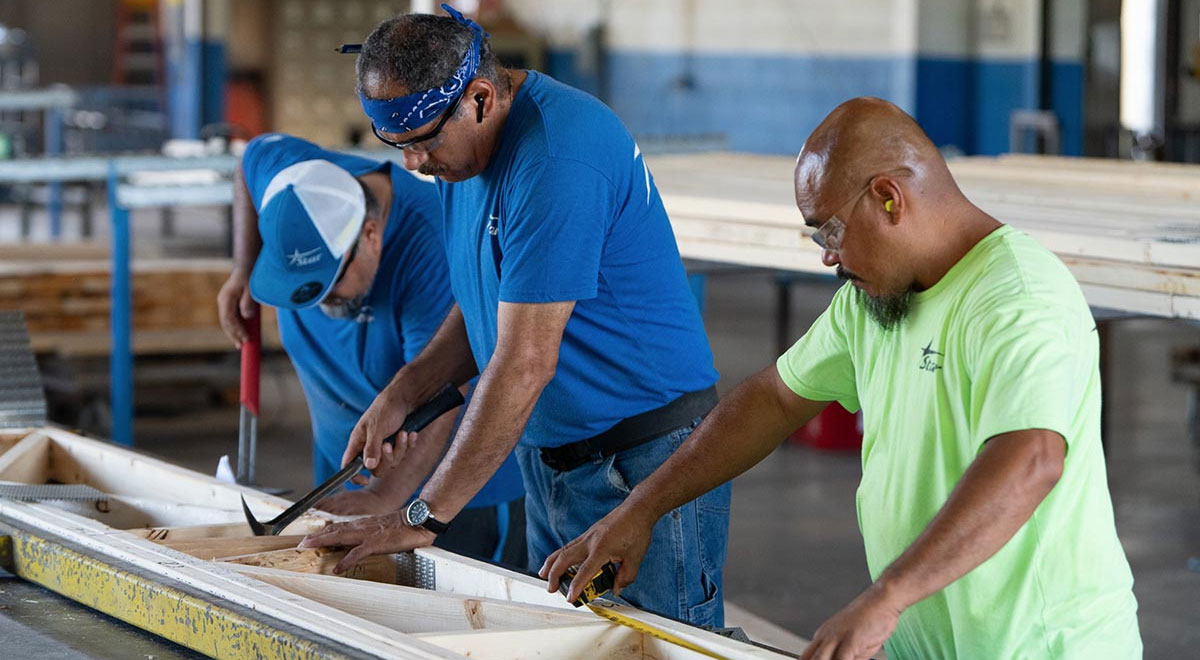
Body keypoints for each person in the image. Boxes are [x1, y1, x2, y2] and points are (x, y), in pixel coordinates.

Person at [541, 98, 1143, 659]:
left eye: (829, 230)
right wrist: (640, 509)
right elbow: (774, 400)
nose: (828, 257)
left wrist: (889, 596)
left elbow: (1031, 457)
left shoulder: (1017, 298)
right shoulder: (874, 302)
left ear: (888, 198)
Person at [298, 6, 730, 626]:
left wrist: (421, 515)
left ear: (478, 98)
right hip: (555, 457)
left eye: (422, 144)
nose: (415, 165)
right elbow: (489, 301)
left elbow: (525, 360)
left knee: (653, 642)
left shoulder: (557, 157)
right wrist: (409, 388)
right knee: (566, 640)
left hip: (642, 462)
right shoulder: (463, 148)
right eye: (398, 148)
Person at [216, 132, 525, 565]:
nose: (320, 305)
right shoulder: (292, 179)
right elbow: (250, 160)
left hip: (449, 491)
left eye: (329, 285)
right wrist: (243, 268)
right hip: (347, 467)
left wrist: (386, 498)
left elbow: (443, 392)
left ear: (371, 234)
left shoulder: (433, 246)